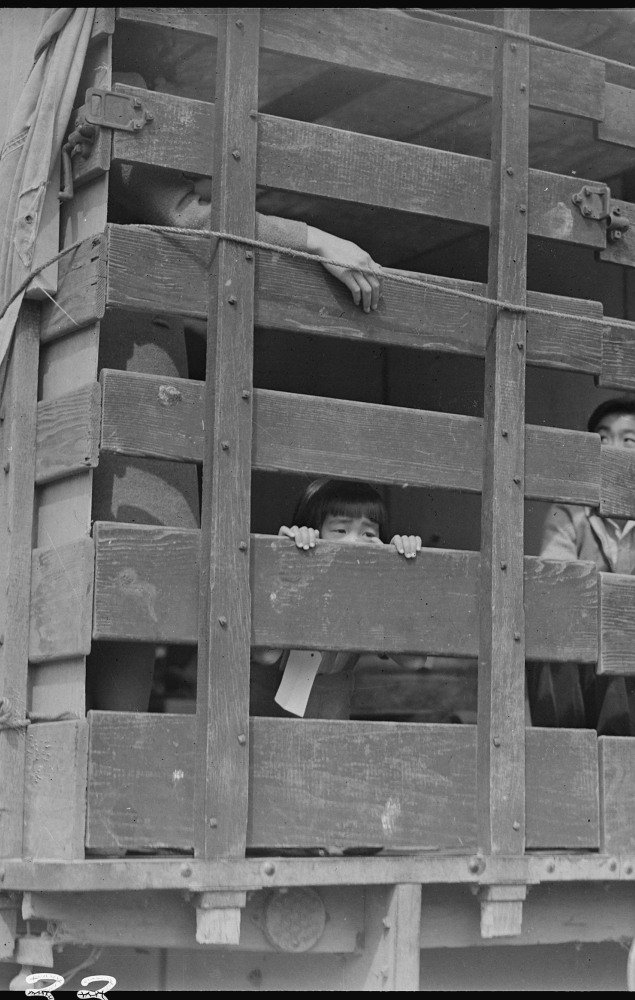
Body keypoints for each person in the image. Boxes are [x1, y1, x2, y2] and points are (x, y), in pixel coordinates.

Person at [88, 63, 385, 712]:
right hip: (128, 389)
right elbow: (187, 214)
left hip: (123, 385)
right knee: (142, 569)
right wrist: (317, 240)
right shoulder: (128, 77)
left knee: (137, 581)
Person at [530, 397, 635, 735]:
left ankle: (623, 748)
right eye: (602, 438)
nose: (611, 449)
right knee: (547, 617)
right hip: (582, 660)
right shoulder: (569, 509)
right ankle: (560, 746)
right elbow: (556, 584)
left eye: (628, 440)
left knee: (632, 627)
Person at [250, 478, 423, 720]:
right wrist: (289, 561)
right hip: (268, 699)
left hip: (334, 699)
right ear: (313, 530)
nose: (353, 542)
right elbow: (266, 656)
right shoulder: (299, 572)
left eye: (368, 533)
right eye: (341, 530)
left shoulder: (370, 589)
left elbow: (414, 660)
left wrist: (394, 568)